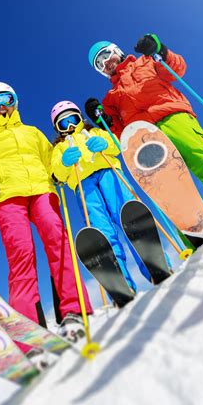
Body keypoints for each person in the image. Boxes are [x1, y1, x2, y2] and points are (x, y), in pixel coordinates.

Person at [0, 82, 92, 342]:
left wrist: (61, 166)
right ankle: (31, 325)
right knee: (21, 254)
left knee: (58, 241)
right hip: (7, 198)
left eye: (6, 99)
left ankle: (74, 311)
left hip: (42, 189)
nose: (1, 107)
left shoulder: (32, 133)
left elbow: (52, 160)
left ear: (15, 101)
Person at [85, 36, 203, 224]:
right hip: (145, 139)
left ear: (116, 51)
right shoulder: (110, 99)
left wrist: (159, 50)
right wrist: (103, 120)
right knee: (170, 187)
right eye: (99, 64)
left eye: (105, 55)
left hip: (174, 117)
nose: (106, 63)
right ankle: (200, 230)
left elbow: (177, 69)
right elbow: (120, 134)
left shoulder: (145, 62)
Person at [50, 100, 151, 292]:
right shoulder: (59, 148)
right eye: (64, 123)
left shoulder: (95, 132)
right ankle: (122, 282)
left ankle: (152, 263)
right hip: (83, 184)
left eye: (73, 119)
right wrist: (64, 162)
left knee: (127, 214)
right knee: (102, 229)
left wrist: (105, 143)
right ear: (58, 128)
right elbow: (57, 174)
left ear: (80, 118)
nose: (70, 126)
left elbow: (116, 146)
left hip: (108, 172)